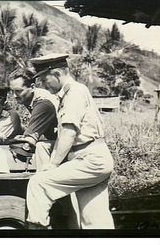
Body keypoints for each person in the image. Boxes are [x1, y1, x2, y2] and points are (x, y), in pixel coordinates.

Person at [26, 53, 114, 229]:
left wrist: (53, 164)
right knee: (94, 221)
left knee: (39, 183)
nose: (42, 84)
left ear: (57, 74)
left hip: (90, 160)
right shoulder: (70, 93)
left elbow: (68, 132)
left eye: (44, 79)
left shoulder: (74, 93)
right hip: (92, 157)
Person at [8, 68, 59, 162]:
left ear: (32, 87)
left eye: (18, 91)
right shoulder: (30, 99)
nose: (14, 96)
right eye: (12, 91)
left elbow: (27, 143)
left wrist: (22, 143)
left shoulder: (43, 103)